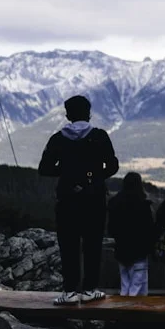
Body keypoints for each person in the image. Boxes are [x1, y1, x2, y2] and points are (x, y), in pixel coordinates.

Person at [38, 95, 119, 305]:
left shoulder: (57, 138)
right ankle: (90, 289)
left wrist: (68, 174)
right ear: (89, 114)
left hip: (67, 198)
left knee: (68, 244)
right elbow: (112, 166)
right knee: (93, 243)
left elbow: (44, 168)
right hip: (94, 198)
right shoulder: (100, 137)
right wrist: (92, 177)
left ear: (67, 115)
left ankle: (70, 291)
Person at [107, 172, 157, 296]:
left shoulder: (115, 204)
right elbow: (150, 231)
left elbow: (111, 229)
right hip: (139, 254)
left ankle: (123, 313)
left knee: (125, 288)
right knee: (138, 292)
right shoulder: (144, 205)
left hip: (121, 252)